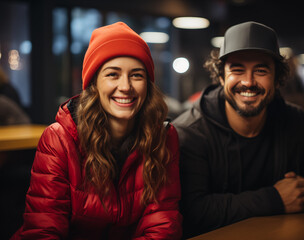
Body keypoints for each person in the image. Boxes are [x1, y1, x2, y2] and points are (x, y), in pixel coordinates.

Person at [11, 22, 182, 239]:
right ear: (94, 84)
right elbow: (44, 230)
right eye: (113, 74)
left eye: (136, 75)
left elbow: (162, 222)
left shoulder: (163, 137)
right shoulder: (58, 139)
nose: (126, 86)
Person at [173, 21, 304, 238]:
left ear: (277, 79)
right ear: (221, 77)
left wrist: (298, 192)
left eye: (260, 70)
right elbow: (193, 212)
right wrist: (274, 199)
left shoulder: (295, 119)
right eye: (237, 69)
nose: (248, 82)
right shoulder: (189, 132)